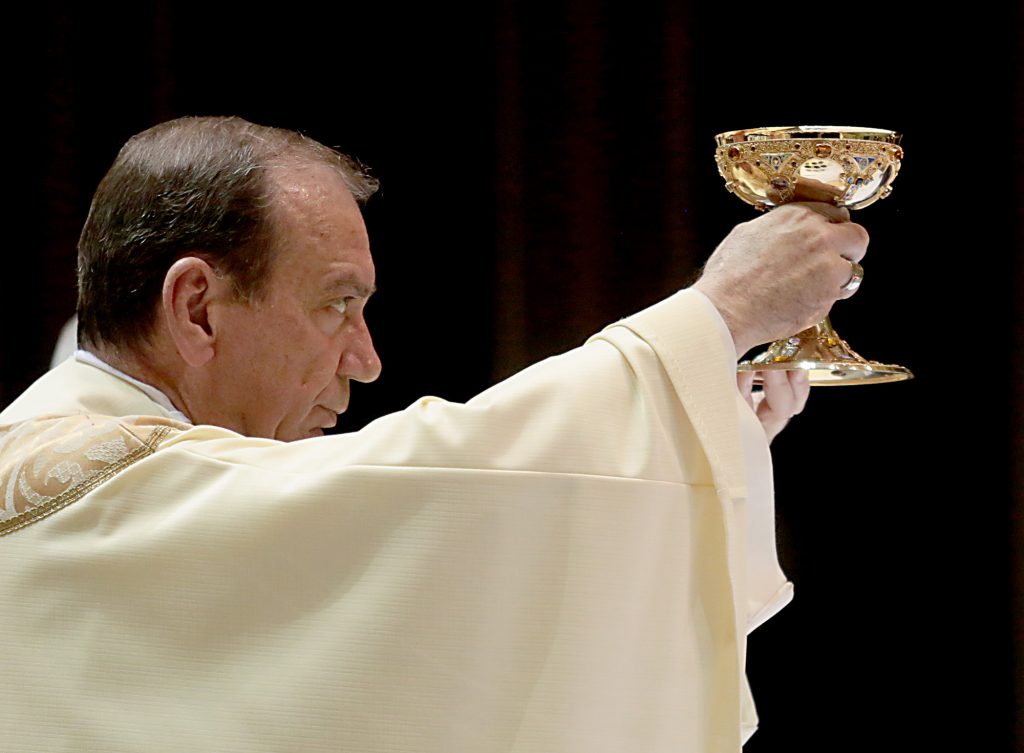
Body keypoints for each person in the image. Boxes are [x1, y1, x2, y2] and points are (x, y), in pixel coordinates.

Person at [0, 116, 866, 752]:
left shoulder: (69, 465)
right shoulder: (93, 482)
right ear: (196, 308)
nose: (367, 360)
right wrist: (717, 316)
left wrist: (699, 428)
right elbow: (435, 492)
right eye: (337, 303)